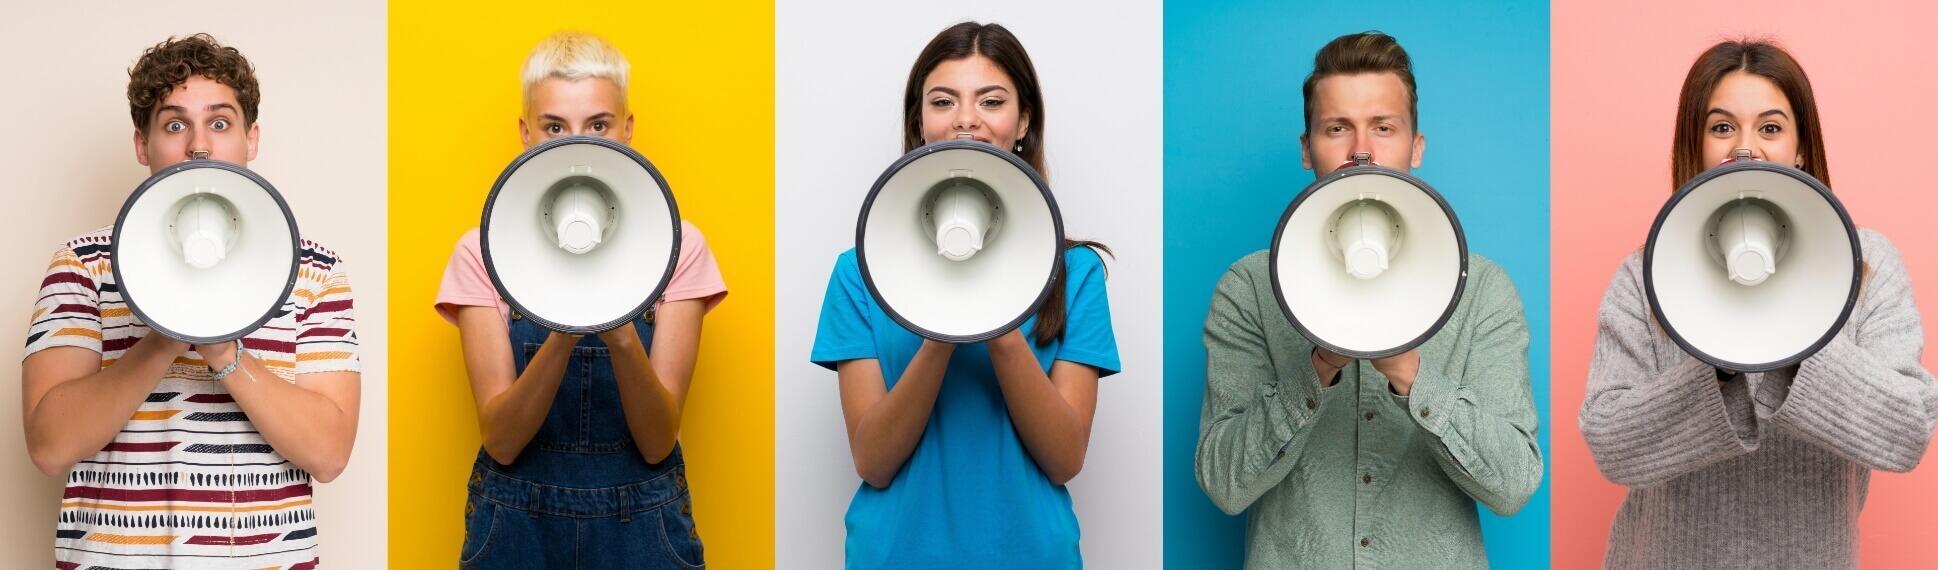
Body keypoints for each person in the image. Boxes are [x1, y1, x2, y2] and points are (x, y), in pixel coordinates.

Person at [1581, 39, 1935, 568]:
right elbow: (1610, 444)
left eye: (1770, 128)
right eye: (1722, 127)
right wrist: (1718, 364)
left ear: (1801, 149)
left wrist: (1796, 333)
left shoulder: (1867, 266)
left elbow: (1907, 432)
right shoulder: (1644, 275)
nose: (1745, 148)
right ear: (1694, 145)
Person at [1193, 31, 1542, 568]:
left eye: (1384, 127)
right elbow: (1223, 483)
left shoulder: (1482, 291)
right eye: (1338, 128)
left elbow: (1514, 485)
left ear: (1415, 147)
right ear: (1308, 148)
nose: (1362, 150)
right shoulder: (1249, 289)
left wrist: (1411, 372)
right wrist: (1318, 366)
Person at [21, 33, 362, 568]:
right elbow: (48, 446)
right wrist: (166, 331)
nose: (198, 145)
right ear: (143, 144)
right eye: (174, 124)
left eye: (220, 123)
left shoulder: (316, 272)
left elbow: (329, 453)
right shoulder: (83, 265)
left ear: (252, 139)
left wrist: (221, 347)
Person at [809, 21, 1120, 569]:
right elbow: (874, 462)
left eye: (992, 100)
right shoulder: (858, 274)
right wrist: (943, 323)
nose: (966, 119)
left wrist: (998, 315)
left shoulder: (1077, 274)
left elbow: (1065, 457)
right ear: (921, 122)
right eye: (943, 100)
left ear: (1023, 121)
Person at [436, 31, 726, 568]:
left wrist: (615, 320)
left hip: (641, 526)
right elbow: (501, 441)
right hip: (518, 528)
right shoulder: (480, 252)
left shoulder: (680, 248)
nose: (578, 144)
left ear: (628, 130)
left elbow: (659, 440)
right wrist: (566, 319)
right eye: (554, 127)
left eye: (598, 124)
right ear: (526, 135)